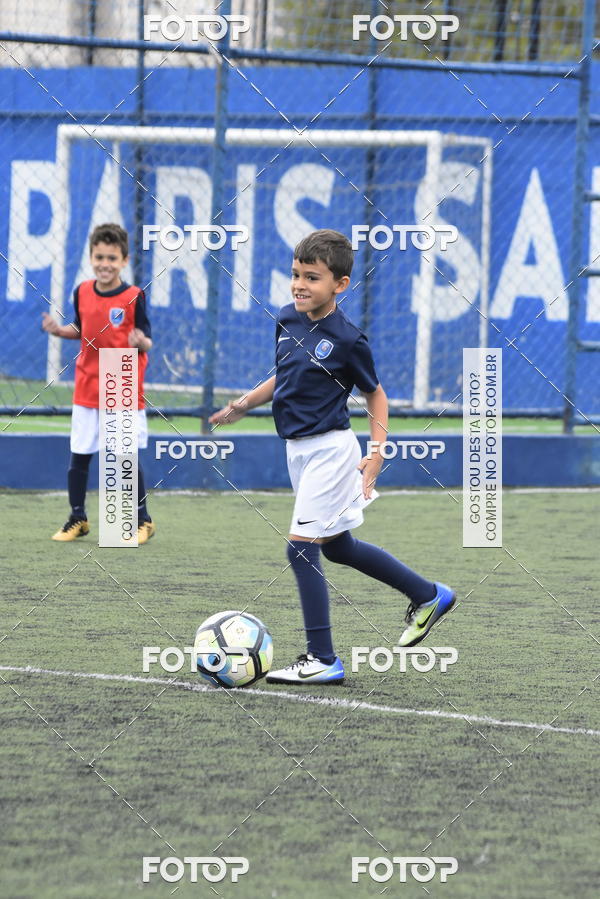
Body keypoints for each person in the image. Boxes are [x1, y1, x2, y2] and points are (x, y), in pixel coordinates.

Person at [210, 229, 455, 684]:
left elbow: (376, 396)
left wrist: (377, 454)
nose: (300, 285)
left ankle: (322, 658)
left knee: (300, 549)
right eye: (295, 275)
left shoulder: (348, 340)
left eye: (313, 278)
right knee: (338, 546)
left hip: (331, 451)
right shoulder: (287, 318)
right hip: (298, 453)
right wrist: (243, 404)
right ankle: (429, 595)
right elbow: (283, 377)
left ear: (339, 285)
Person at [42, 222, 155, 544]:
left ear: (124, 261)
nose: (105, 264)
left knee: (123, 456)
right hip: (87, 381)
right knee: (80, 452)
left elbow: (147, 340)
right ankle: (77, 517)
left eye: (112, 258)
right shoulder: (82, 291)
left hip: (120, 378)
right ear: (91, 257)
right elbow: (81, 328)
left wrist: (140, 342)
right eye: (99, 257)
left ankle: (142, 520)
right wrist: (58, 331)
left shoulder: (134, 296)